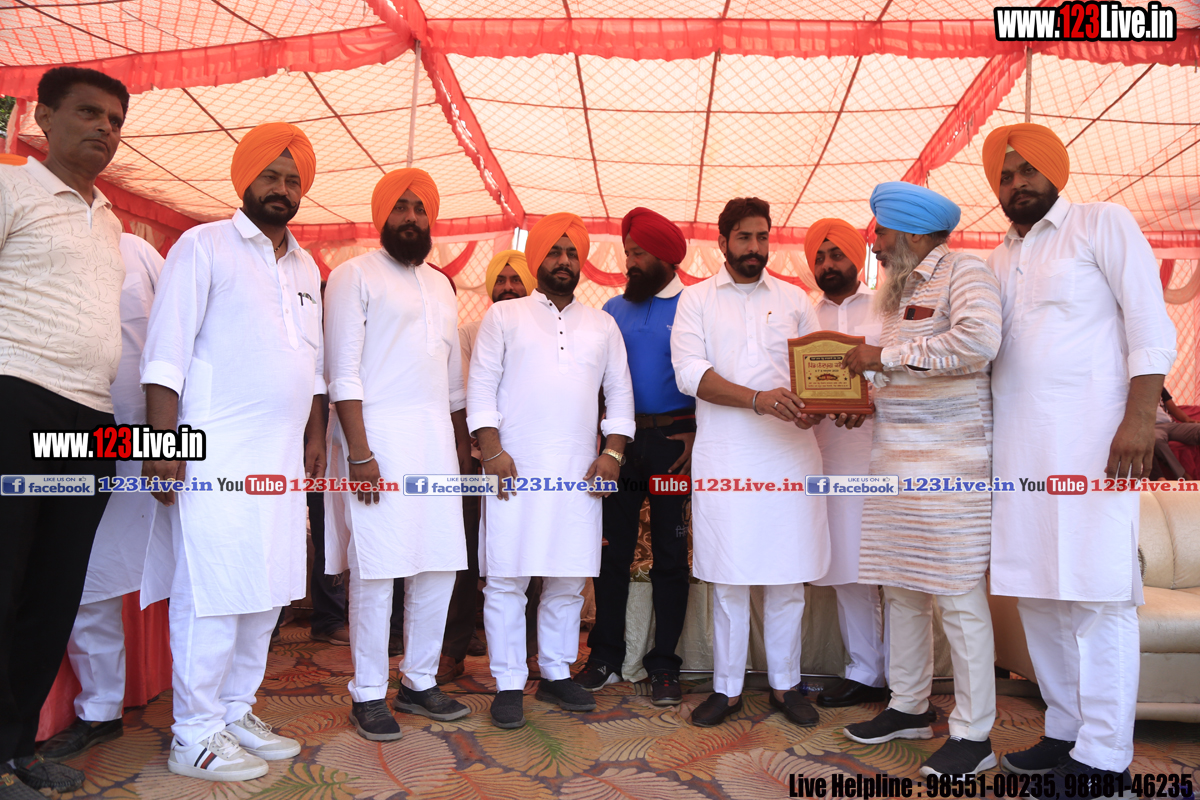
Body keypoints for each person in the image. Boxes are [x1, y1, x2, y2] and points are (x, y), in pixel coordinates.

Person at [982, 124, 1177, 784]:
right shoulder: (996, 259)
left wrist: (1139, 417)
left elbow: (1149, 320)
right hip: (1019, 454)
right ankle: (1065, 730)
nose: (1017, 183)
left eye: (1027, 169)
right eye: (1005, 175)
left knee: (1097, 597)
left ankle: (1103, 757)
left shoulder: (1101, 223)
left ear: (1053, 169)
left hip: (1096, 447)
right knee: (1039, 595)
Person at [140, 122, 327, 782]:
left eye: (293, 180)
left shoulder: (306, 267)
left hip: (281, 460)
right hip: (214, 451)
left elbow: (314, 368)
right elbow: (165, 350)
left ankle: (233, 710)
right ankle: (192, 733)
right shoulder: (203, 245)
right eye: (271, 176)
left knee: (267, 589)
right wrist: (162, 442)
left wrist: (313, 436)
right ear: (245, 179)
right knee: (214, 589)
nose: (282, 188)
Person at [841, 182, 1002, 777]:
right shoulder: (899, 290)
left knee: (958, 597)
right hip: (895, 463)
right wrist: (865, 395)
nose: (876, 245)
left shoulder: (966, 272)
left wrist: (881, 360)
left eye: (881, 233)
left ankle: (975, 734)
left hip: (951, 467)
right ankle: (908, 706)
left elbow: (978, 342)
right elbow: (910, 369)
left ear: (911, 232)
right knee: (901, 588)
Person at [0, 67, 129, 799]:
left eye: (115, 120)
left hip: (93, 423)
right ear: (44, 117)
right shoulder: (9, 187)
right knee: (4, 582)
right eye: (89, 113)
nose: (105, 128)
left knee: (54, 592)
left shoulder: (110, 220)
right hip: (16, 399)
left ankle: (17, 750)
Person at [467, 213, 635, 729]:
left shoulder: (602, 325)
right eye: (555, 251)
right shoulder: (504, 316)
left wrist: (613, 455)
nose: (564, 261)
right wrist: (491, 451)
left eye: (572, 253)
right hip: (513, 469)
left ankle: (557, 671)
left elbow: (620, 395)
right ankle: (509, 681)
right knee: (506, 578)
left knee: (567, 577)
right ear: (537, 257)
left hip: (579, 471)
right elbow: (481, 388)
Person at [670, 197, 830, 728]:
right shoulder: (696, 300)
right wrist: (758, 400)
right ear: (722, 241)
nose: (755, 247)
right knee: (729, 577)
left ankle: (786, 685)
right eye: (744, 237)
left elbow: (817, 371)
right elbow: (690, 374)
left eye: (762, 237)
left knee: (788, 576)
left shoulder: (794, 299)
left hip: (789, 455)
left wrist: (817, 407)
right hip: (727, 456)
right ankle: (727, 688)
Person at [323, 168, 471, 741]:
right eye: (401, 207)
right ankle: (367, 693)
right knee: (378, 568)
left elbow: (453, 385)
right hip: (378, 440)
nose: (412, 218)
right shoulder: (353, 275)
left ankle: (418, 680)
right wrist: (359, 453)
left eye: (420, 209)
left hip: (435, 443)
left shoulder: (441, 285)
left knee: (438, 563)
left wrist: (461, 447)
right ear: (381, 215)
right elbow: (342, 372)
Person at [36, 234, 163, 764]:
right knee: (88, 572)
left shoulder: (139, 252)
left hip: (158, 435)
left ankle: (216, 708)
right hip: (71, 432)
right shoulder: (37, 245)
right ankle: (100, 709)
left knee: (192, 562)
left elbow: (181, 337)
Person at [573, 207, 693, 706]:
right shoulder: (612, 310)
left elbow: (708, 376)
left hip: (673, 448)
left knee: (670, 555)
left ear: (664, 257)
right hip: (619, 447)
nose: (630, 263)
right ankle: (604, 656)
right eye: (628, 253)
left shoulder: (693, 305)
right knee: (611, 552)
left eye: (639, 253)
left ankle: (664, 665)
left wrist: (697, 436)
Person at [804, 219, 890, 709]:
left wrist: (873, 400)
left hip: (886, 453)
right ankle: (865, 671)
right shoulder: (804, 315)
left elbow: (907, 371)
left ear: (858, 256)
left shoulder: (887, 308)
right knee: (849, 571)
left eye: (837, 254)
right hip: (830, 456)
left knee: (896, 572)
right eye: (819, 257)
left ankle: (907, 679)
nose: (828, 264)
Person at [441, 249, 537, 684]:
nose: (508, 288)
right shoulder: (469, 333)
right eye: (501, 280)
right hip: (477, 463)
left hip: (528, 466)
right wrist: (473, 453)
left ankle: (530, 652)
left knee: (527, 555)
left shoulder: (542, 335)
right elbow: (464, 395)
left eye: (516, 280)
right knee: (462, 557)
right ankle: (452, 651)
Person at [1153, 387, 1197, 480]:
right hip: (1151, 428)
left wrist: (1188, 420)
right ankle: (1183, 475)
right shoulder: (1126, 389)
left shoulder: (1157, 385)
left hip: (1171, 424)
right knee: (1156, 440)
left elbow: (1174, 409)